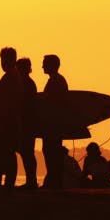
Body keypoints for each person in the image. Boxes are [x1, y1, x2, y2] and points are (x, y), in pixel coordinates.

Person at [0, 47, 22, 189]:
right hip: (9, 121)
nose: (2, 63)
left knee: (5, 153)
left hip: (7, 122)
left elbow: (7, 101)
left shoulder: (10, 77)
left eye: (3, 60)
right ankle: (6, 183)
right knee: (7, 153)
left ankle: (5, 184)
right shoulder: (14, 76)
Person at [41, 54, 68, 189]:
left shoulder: (56, 81)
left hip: (53, 124)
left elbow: (52, 104)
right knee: (51, 151)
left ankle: (54, 181)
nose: (42, 66)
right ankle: (53, 181)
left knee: (51, 151)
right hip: (54, 124)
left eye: (45, 63)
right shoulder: (57, 80)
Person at [15, 57, 38, 189]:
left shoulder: (26, 83)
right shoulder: (28, 82)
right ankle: (31, 180)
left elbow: (25, 104)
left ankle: (31, 181)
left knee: (27, 152)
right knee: (26, 152)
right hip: (28, 122)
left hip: (26, 123)